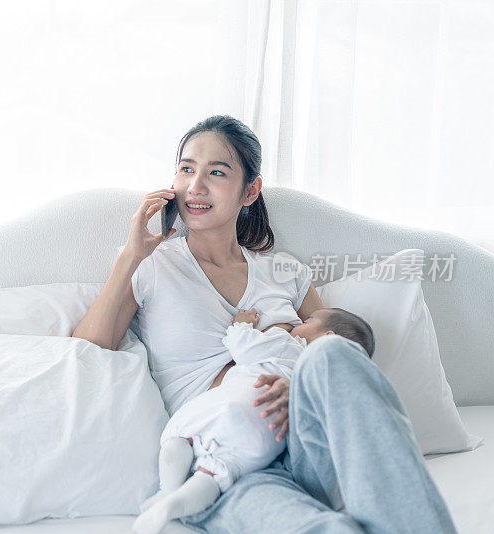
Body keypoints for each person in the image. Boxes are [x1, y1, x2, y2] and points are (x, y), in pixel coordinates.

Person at [72, 114, 457, 533]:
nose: (195, 187)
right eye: (186, 169)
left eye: (216, 172)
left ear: (250, 190)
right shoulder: (152, 265)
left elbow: (336, 347)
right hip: (225, 461)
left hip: (303, 435)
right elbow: (92, 344)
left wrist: (302, 387)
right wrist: (131, 256)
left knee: (330, 351)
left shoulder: (285, 271)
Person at [132, 307, 375, 534]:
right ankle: (174, 505)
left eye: (308, 321)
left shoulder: (290, 344)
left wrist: (240, 326)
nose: (300, 323)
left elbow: (243, 346)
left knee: (179, 435)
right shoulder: (327, 386)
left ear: (326, 337)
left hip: (243, 399)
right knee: (215, 474)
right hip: (269, 435)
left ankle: (168, 490)